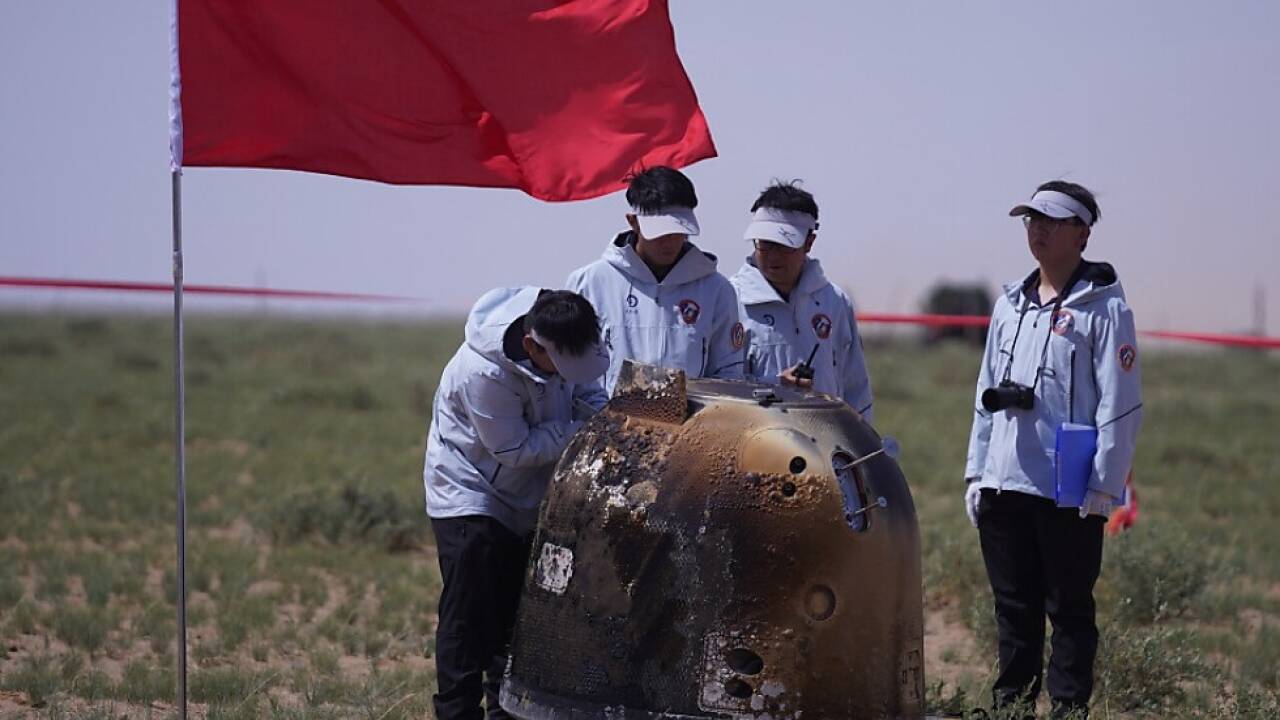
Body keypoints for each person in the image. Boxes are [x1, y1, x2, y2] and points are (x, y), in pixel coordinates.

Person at [964, 181, 1143, 719]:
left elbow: (1121, 404)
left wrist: (1104, 484)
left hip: (1069, 487)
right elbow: (983, 397)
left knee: (1068, 609)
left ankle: (1068, 708)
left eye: (1052, 220)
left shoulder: (1106, 310)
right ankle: (1012, 706)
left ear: (1082, 233)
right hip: (1005, 480)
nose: (1037, 229)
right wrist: (977, 473)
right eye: (1030, 219)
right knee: (1013, 608)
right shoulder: (1009, 306)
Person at [424, 287, 609, 720]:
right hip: (470, 492)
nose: (569, 375)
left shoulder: (565, 331)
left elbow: (589, 393)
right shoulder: (481, 373)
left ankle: (506, 714)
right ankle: (458, 713)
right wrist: (582, 430)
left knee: (516, 617)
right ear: (531, 345)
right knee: (469, 619)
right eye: (562, 366)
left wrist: (602, 415)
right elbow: (515, 449)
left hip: (528, 495)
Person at [566, 165, 743, 394]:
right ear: (633, 222)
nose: (669, 241)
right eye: (659, 232)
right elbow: (570, 369)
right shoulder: (589, 283)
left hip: (692, 426)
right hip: (605, 422)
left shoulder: (716, 289)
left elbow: (728, 371)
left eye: (678, 230)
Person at [729, 180, 873, 422]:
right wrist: (774, 386)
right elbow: (717, 385)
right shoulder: (730, 300)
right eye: (765, 244)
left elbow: (856, 386)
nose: (773, 256)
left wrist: (862, 448)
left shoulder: (835, 302)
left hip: (825, 442)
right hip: (755, 442)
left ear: (809, 242)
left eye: (785, 245)